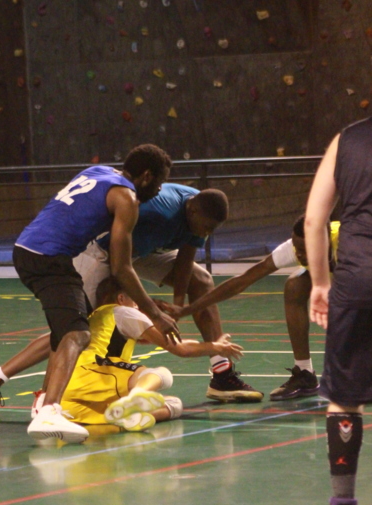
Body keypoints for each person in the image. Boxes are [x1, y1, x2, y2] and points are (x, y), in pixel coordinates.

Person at [0, 144, 180, 442]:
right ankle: (49, 409)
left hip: (30, 248)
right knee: (77, 334)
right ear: (146, 176)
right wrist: (155, 315)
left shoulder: (98, 172)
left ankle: (13, 390)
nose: (157, 191)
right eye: (158, 183)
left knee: (66, 331)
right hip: (48, 257)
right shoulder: (126, 198)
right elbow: (122, 268)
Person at [74, 182, 263, 403]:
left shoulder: (202, 209)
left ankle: (222, 375)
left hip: (138, 250)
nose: (207, 233)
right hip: (102, 249)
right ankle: (67, 385)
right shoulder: (159, 216)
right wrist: (152, 312)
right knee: (89, 319)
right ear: (192, 211)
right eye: (207, 228)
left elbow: (185, 261)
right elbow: (121, 267)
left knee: (201, 280)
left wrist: (177, 309)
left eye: (212, 230)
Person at [157, 215, 340, 401]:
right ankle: (304, 373)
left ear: (322, 243)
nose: (298, 254)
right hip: (337, 275)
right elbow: (242, 281)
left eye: (303, 250)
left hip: (353, 282)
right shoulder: (293, 249)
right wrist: (187, 309)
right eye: (296, 248)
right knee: (295, 286)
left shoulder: (348, 245)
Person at [60, 276, 244, 433]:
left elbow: (173, 341)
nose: (138, 306)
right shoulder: (124, 312)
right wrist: (216, 347)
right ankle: (136, 396)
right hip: (90, 373)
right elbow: (179, 348)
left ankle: (126, 417)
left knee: (174, 404)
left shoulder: (95, 318)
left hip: (71, 392)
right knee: (161, 375)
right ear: (121, 298)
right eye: (136, 300)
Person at [305, 118, 372, 505]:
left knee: (345, 397)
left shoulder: (347, 139)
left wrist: (320, 282)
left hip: (358, 280)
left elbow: (314, 220)